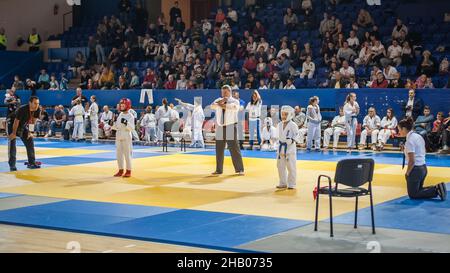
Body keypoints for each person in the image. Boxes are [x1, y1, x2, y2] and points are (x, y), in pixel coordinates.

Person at [398, 118, 446, 201]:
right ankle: (437, 188)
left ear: (404, 129)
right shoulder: (418, 136)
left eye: (399, 129)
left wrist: (407, 173)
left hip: (415, 170)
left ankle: (435, 190)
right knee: (418, 190)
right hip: (423, 168)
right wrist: (405, 149)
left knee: (413, 194)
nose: (399, 132)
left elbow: (412, 161)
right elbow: (420, 151)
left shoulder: (409, 140)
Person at [211, 85, 244, 175]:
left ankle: (239, 169)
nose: (224, 94)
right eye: (222, 92)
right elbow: (212, 106)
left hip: (230, 126)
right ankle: (219, 169)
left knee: (234, 148)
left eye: (225, 92)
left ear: (229, 92)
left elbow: (234, 108)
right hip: (220, 127)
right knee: (219, 149)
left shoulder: (234, 101)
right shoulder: (218, 100)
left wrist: (224, 104)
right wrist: (220, 102)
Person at [7, 96, 41, 171]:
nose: (37, 105)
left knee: (30, 139)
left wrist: (30, 132)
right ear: (30, 103)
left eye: (38, 103)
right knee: (12, 142)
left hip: (22, 125)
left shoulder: (38, 109)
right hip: (11, 123)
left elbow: (33, 121)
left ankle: (31, 163)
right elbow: (16, 122)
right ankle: (12, 165)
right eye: (35, 103)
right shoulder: (22, 109)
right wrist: (13, 133)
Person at [276, 105, 299, 190]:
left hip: (290, 148)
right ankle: (282, 182)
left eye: (285, 114)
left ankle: (291, 184)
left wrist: (292, 140)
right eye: (282, 114)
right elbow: (277, 136)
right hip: (280, 147)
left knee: (291, 166)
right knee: (280, 166)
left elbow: (297, 135)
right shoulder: (279, 124)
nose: (283, 116)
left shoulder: (293, 125)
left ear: (290, 115)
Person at [112, 98, 135, 178]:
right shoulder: (120, 115)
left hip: (126, 136)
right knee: (119, 155)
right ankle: (120, 170)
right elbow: (117, 127)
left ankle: (128, 170)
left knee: (127, 154)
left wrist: (126, 123)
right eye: (121, 105)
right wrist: (112, 125)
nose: (121, 107)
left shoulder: (130, 116)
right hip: (119, 136)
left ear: (127, 106)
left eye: (123, 105)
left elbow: (132, 128)